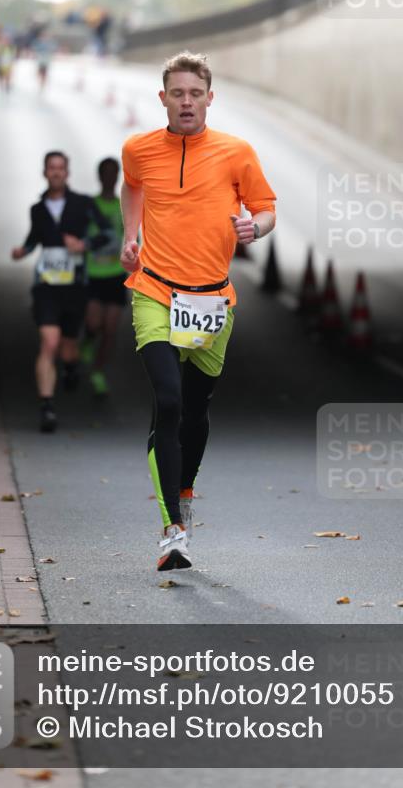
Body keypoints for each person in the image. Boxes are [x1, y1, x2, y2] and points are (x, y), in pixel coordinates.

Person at [120, 51, 276, 570]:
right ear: (162, 98)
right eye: (177, 93)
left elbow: (266, 209)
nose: (186, 102)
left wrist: (255, 227)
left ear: (210, 98)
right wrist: (129, 236)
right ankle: (173, 532)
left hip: (211, 300)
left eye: (195, 94)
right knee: (166, 401)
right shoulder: (139, 149)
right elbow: (132, 186)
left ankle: (184, 491)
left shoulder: (236, 152)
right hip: (155, 291)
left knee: (194, 408)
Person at [11, 151, 112, 433]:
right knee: (49, 342)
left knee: (68, 348)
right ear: (45, 172)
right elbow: (34, 239)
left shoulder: (83, 204)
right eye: (51, 168)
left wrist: (84, 245)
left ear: (67, 173)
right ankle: (47, 406)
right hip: (45, 286)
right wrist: (23, 251)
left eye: (60, 168)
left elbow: (108, 235)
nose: (56, 172)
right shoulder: (38, 209)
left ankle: (70, 366)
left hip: (74, 287)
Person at [81, 158, 127, 396]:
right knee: (94, 324)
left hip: (116, 276)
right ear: (99, 176)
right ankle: (88, 340)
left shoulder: (123, 207)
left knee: (110, 329)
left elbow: (132, 237)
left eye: (113, 173)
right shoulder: (90, 207)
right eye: (106, 173)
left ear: (117, 176)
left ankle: (98, 372)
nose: (110, 177)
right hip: (93, 275)